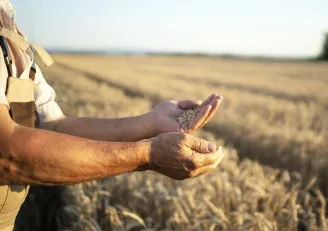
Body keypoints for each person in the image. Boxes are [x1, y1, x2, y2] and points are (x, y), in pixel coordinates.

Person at [0, 1, 224, 230]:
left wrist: (150, 122)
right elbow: (7, 153)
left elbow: (52, 126)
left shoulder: (10, 30)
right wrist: (148, 154)